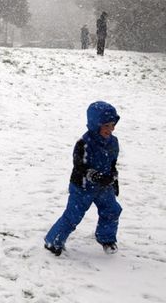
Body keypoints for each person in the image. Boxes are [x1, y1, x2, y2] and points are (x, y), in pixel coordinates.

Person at [44, 101, 121, 256]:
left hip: (104, 186)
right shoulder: (84, 144)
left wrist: (114, 179)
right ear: (95, 124)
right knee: (73, 215)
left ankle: (106, 238)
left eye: (112, 125)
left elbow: (112, 163)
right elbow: (80, 166)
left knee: (112, 210)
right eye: (106, 126)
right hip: (83, 186)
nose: (110, 129)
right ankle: (53, 241)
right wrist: (94, 175)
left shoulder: (113, 142)